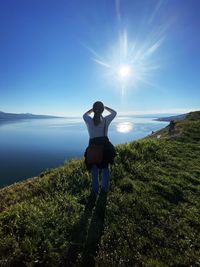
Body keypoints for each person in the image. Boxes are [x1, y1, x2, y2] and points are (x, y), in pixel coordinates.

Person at [83, 101, 117, 194]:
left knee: (94, 169)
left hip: (92, 147)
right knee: (105, 168)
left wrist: (93, 110)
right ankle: (104, 190)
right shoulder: (106, 120)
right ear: (102, 110)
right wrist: (105, 107)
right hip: (104, 148)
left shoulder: (88, 120)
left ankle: (94, 190)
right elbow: (114, 113)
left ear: (94, 110)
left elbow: (84, 114)